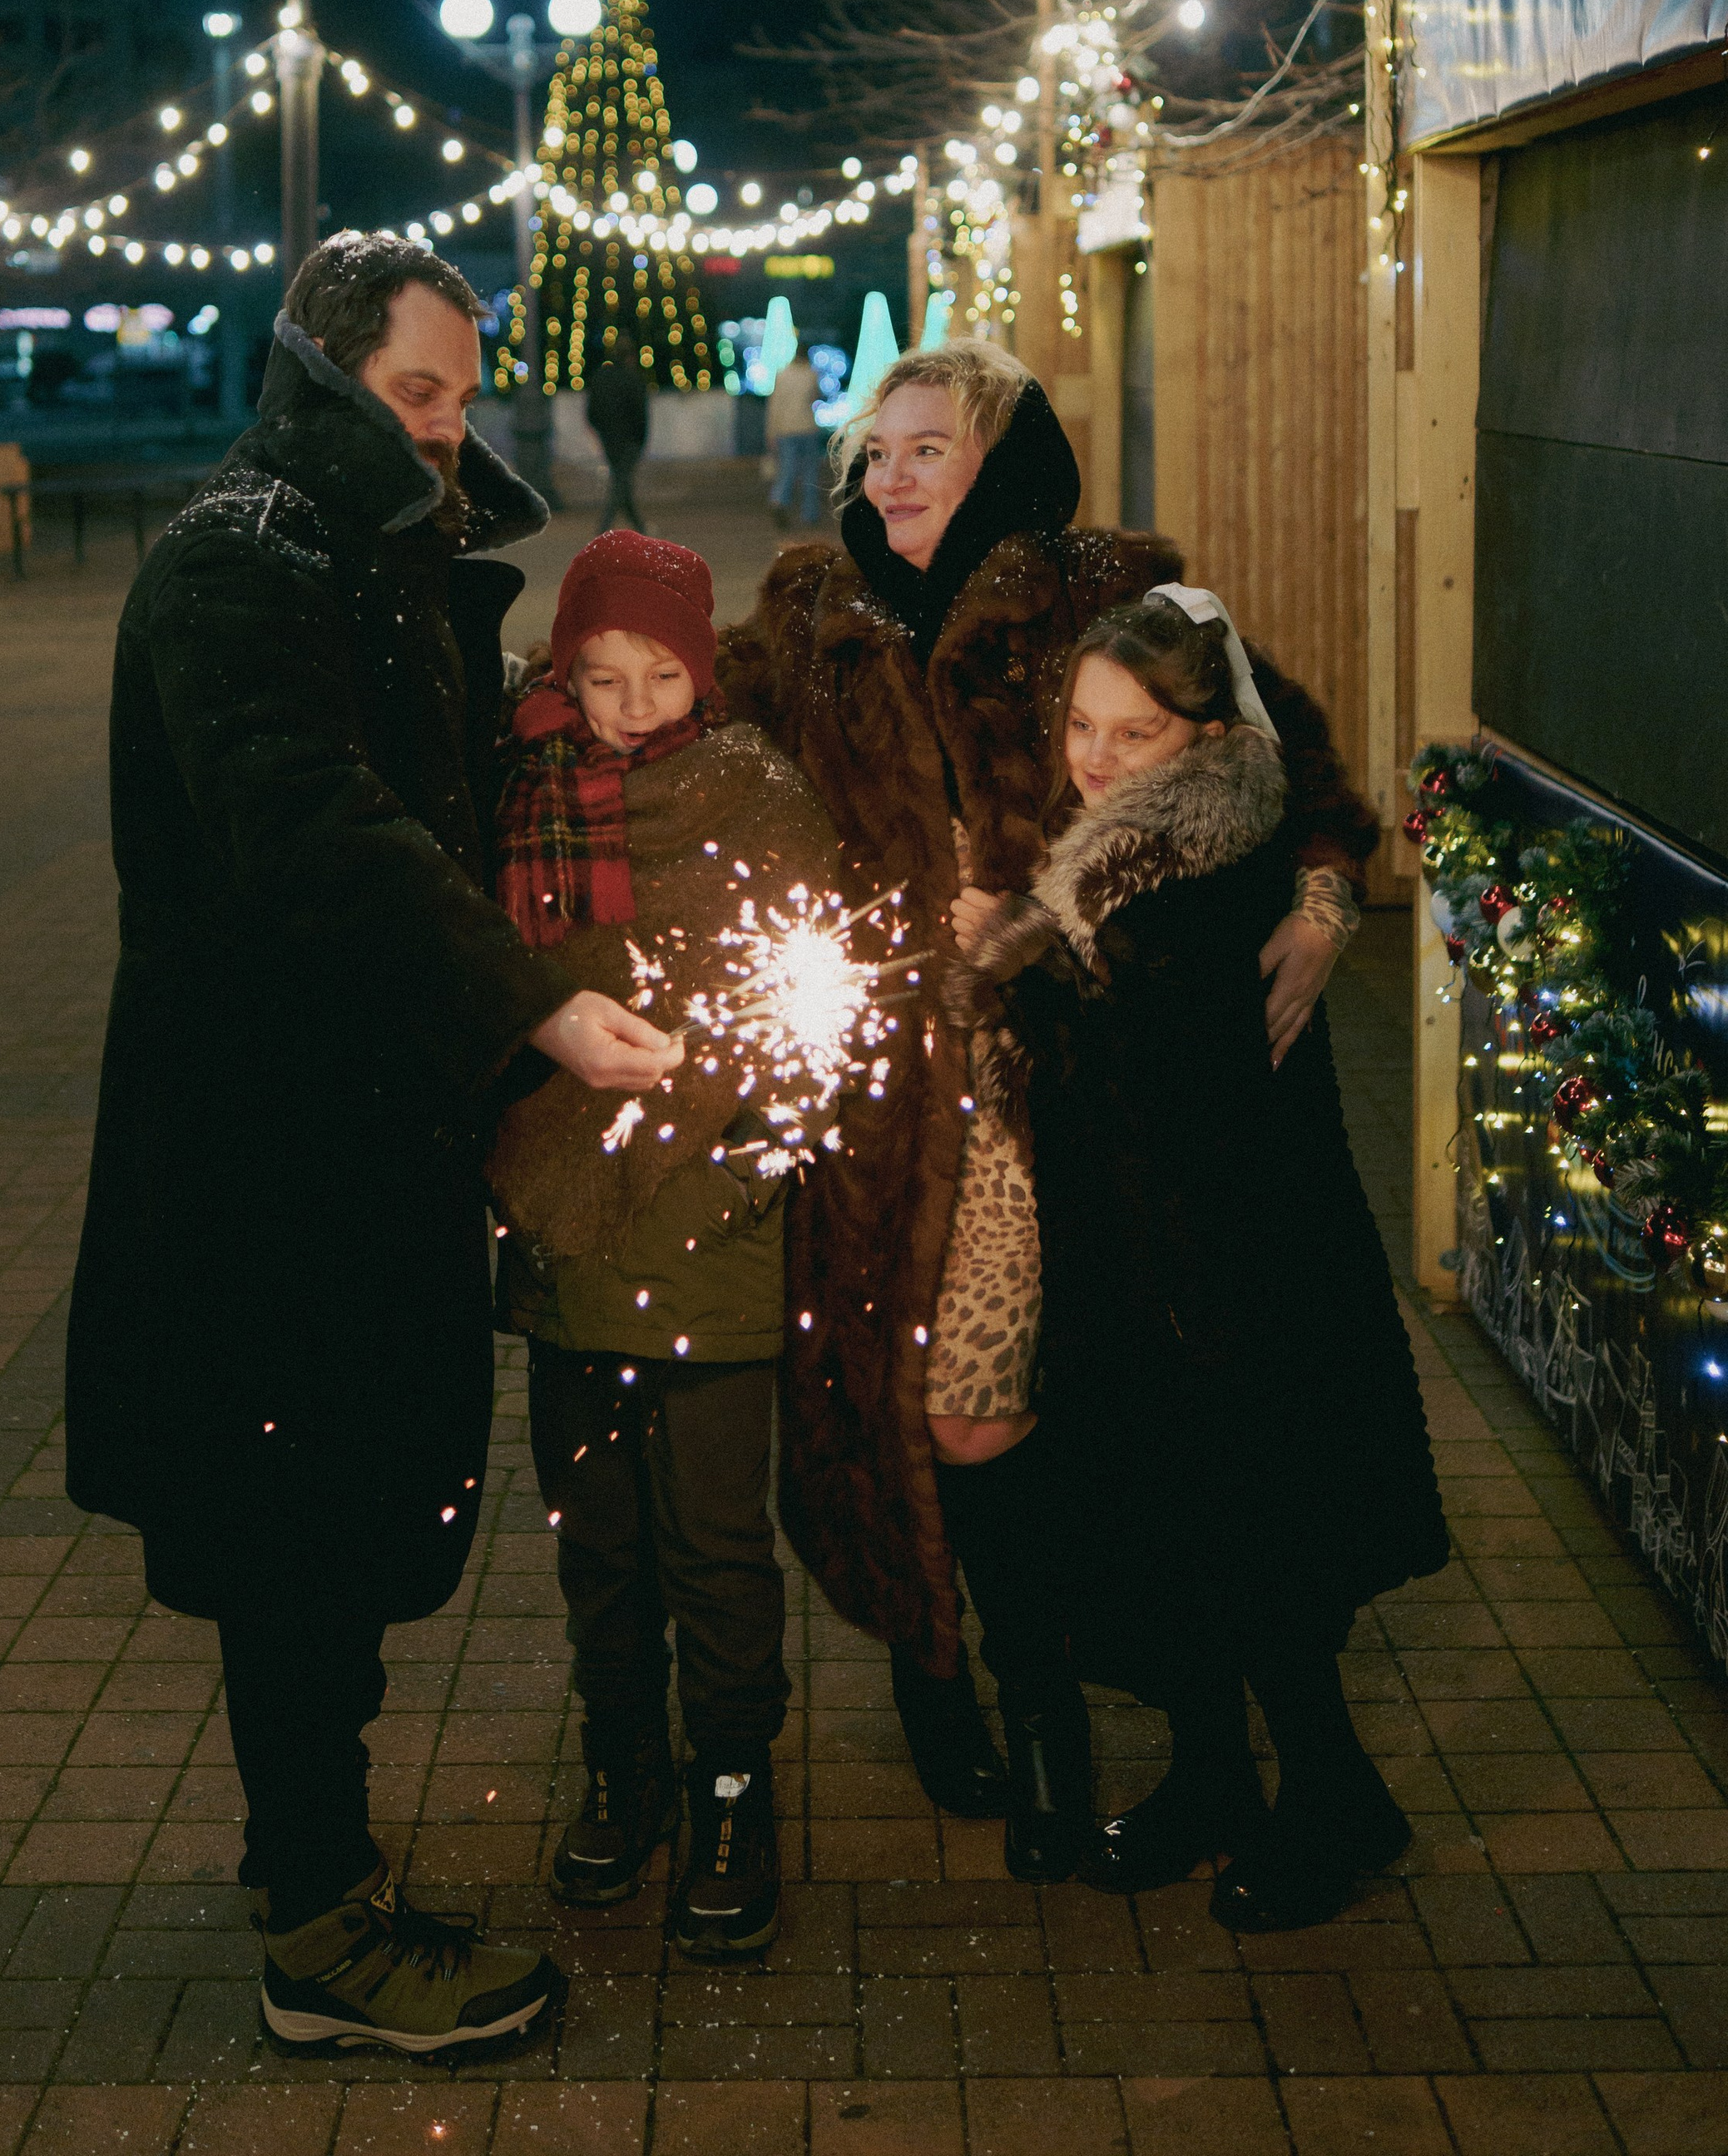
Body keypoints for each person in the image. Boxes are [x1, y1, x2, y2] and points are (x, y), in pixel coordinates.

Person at [63, 232, 681, 2059]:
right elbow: (317, 829)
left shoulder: (361, 558)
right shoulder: (238, 563)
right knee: (291, 1528)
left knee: (328, 1521)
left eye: (460, 400)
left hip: (349, 1133)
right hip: (262, 1150)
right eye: (417, 395)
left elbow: (427, 798)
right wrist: (539, 1006)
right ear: (324, 373)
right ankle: (320, 1936)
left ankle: (313, 1874)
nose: (443, 432)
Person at [716, 340, 1373, 1850]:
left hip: (1065, 1086)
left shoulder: (1102, 599)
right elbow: (694, 761)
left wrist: (1329, 898)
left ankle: (1057, 1691)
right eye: (875, 451)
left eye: (926, 448)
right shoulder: (806, 625)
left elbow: (1287, 753)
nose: (888, 476)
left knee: (1036, 1403)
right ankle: (946, 1680)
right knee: (896, 1405)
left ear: (1004, 457)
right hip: (878, 1096)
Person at [949, 591, 1449, 1929]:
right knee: (1179, 1537)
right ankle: (1217, 1777)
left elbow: (1168, 1078)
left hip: (1238, 1285)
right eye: (1082, 726)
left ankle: (1336, 1795)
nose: (1098, 756)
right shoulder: (1119, 854)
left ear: (1210, 731)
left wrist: (1007, 969)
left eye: (1138, 731)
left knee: (1259, 1554)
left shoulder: (1202, 871)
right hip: (1159, 1276)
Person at [489, 530, 842, 1956]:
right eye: (597, 675)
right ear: (562, 669)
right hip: (564, 1223)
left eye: (655, 675)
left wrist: (739, 1147)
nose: (628, 705)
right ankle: (624, 1766)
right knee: (599, 1538)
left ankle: (735, 1785)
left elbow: (821, 996)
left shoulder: (757, 789)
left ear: (699, 670)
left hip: (712, 1220)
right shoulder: (522, 794)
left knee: (711, 1535)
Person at [586, 333, 650, 532]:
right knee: (621, 484)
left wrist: (603, 432)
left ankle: (640, 528)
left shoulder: (600, 378)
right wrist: (640, 440)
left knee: (621, 482)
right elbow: (641, 415)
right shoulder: (634, 379)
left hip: (609, 439)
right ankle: (604, 529)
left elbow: (591, 412)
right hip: (630, 440)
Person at [765, 347, 824, 531]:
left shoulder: (781, 375)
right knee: (810, 471)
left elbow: (774, 405)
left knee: (787, 468)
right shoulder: (811, 374)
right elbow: (816, 397)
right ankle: (810, 512)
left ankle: (779, 500)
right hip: (807, 427)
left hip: (785, 429)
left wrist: (771, 432)